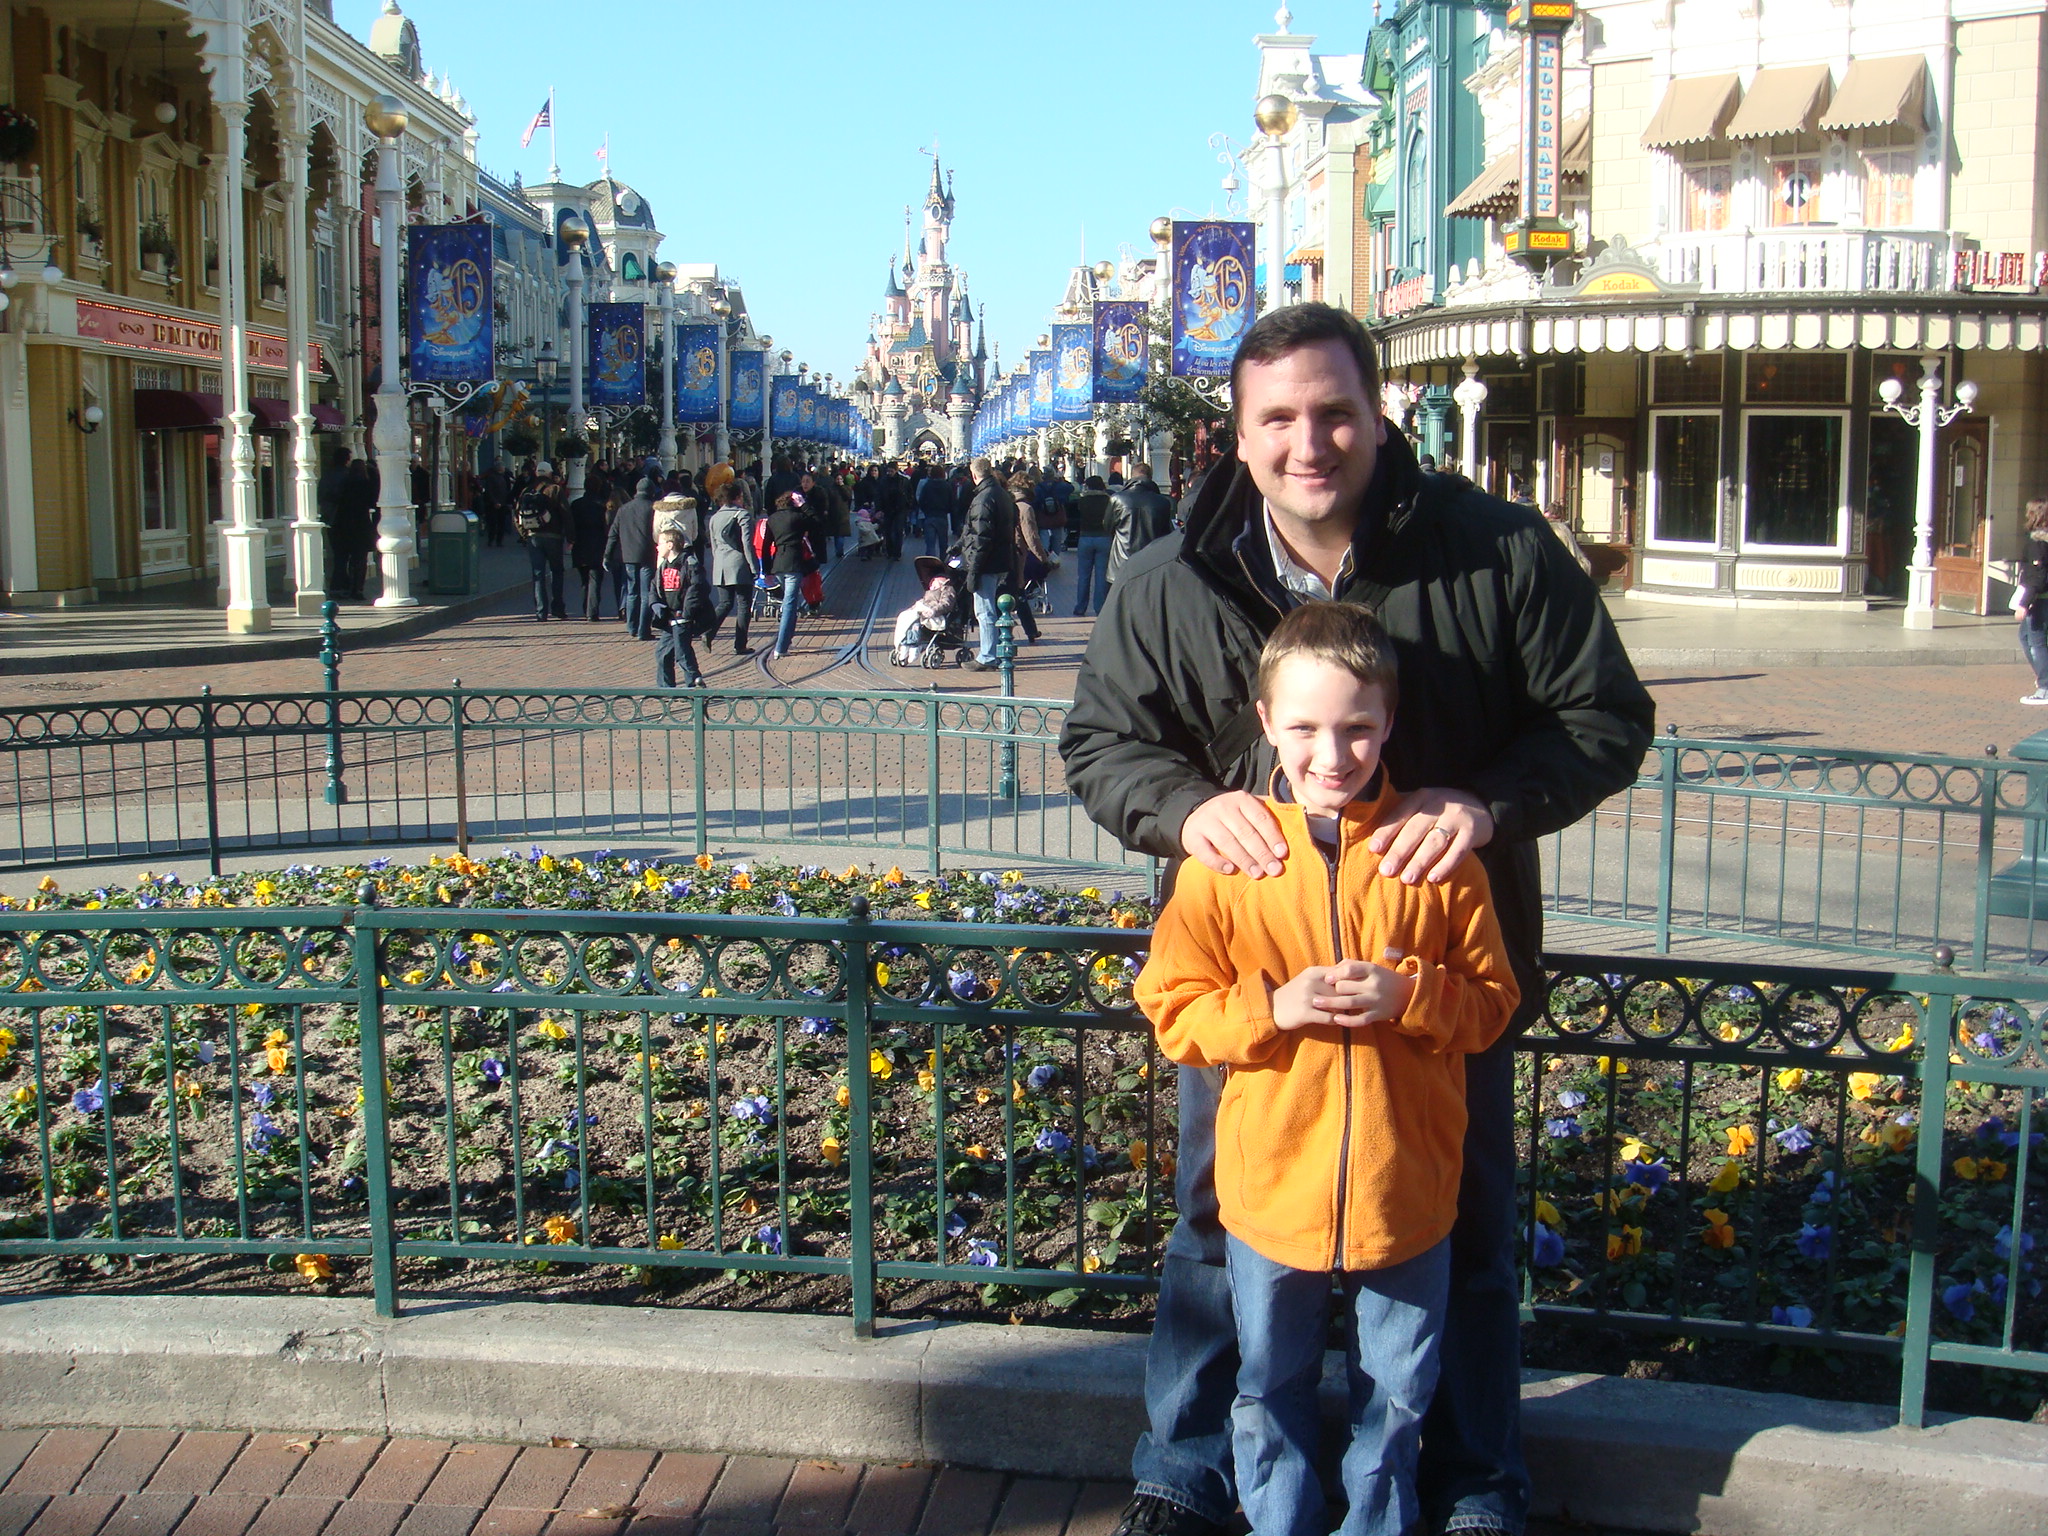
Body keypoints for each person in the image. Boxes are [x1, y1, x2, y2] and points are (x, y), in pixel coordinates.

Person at [1059, 301, 1653, 1536]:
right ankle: (1185, 1471)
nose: (1307, 441)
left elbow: (1601, 716)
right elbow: (1101, 743)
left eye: (1333, 410)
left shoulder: (1491, 553)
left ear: (1377, 413)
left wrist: (1485, 805)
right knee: (1216, 1233)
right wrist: (1180, 810)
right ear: (1236, 433)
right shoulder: (1173, 577)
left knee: (1464, 1231)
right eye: (1276, 417)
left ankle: (1473, 1479)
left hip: (1434, 981)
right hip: (1248, 982)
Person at [1138, 600, 1518, 1536]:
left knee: (1397, 1394)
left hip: (1406, 1192)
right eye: (1305, 728)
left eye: (1356, 728)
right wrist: (1274, 1008)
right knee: (1269, 1388)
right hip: (1273, 1192)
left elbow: (1492, 1004)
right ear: (1267, 723)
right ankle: (1282, 1523)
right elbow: (1172, 1007)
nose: (1333, 754)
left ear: (1389, 723)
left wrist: (1411, 996)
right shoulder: (1227, 864)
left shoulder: (1436, 862)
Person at [955, 457, 1018, 672]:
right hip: (1001, 559)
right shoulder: (1001, 493)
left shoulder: (983, 498)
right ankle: (998, 649)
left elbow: (982, 538)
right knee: (994, 608)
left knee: (985, 610)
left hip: (987, 562)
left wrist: (973, 568)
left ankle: (988, 655)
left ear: (974, 475)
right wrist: (960, 544)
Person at [702, 482, 758, 658]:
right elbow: (747, 545)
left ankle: (708, 631)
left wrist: (718, 562)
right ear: (738, 497)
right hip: (739, 564)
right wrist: (754, 567)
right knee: (743, 605)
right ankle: (740, 644)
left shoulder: (714, 517)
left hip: (721, 565)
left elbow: (714, 545)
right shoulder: (743, 516)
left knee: (724, 604)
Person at [765, 490, 820, 659]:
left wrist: (766, 570)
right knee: (790, 604)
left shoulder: (772, 519)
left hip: (778, 563)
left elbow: (767, 544)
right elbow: (817, 522)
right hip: (794, 563)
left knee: (789, 602)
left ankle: (786, 640)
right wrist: (804, 505)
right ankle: (780, 647)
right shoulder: (798, 518)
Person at [1106, 463, 1176, 588]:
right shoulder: (1163, 502)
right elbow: (1166, 534)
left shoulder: (1117, 499)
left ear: (1132, 476)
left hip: (1122, 563)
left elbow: (1107, 527)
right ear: (1150, 477)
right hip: (1151, 563)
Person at [608, 476, 660, 640]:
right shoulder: (653, 508)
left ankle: (632, 626)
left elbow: (613, 534)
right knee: (646, 594)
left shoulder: (624, 509)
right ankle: (644, 629)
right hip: (648, 554)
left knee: (632, 592)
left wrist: (607, 555)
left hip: (629, 555)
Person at [514, 462, 567, 621]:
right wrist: (571, 536)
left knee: (538, 574)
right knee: (557, 572)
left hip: (533, 537)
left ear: (536, 474)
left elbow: (517, 515)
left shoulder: (526, 491)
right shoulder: (555, 489)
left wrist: (524, 534)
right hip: (554, 537)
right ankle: (557, 608)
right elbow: (566, 513)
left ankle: (540, 611)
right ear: (550, 474)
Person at [330, 456, 377, 602]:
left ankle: (339, 588)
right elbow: (373, 502)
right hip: (360, 525)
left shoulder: (344, 483)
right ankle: (357, 589)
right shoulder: (366, 484)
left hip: (342, 525)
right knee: (359, 560)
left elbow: (334, 498)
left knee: (341, 559)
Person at [2016, 498, 2048, 705]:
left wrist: (2024, 602)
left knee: (2036, 642)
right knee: (2026, 637)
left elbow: (2038, 575)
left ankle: (2045, 687)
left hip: (2039, 599)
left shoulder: (2038, 544)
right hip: (2039, 597)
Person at [1069, 474, 1114, 617]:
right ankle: (1099, 608)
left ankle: (1080, 607)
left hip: (1085, 537)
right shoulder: (1109, 500)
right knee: (1101, 575)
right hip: (1104, 537)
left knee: (1083, 575)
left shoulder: (1083, 501)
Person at [569, 472, 611, 622]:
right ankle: (592, 611)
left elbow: (571, 525)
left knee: (584, 580)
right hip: (597, 545)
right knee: (595, 579)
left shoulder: (576, 504)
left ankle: (585, 608)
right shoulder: (601, 506)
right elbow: (606, 527)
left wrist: (570, 540)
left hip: (580, 546)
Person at [916, 462, 955, 561]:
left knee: (930, 545)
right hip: (942, 517)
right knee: (943, 544)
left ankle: (931, 565)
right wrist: (947, 510)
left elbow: (921, 500)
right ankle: (943, 564)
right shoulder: (947, 486)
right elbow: (952, 501)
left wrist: (926, 511)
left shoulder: (927, 485)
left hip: (929, 517)